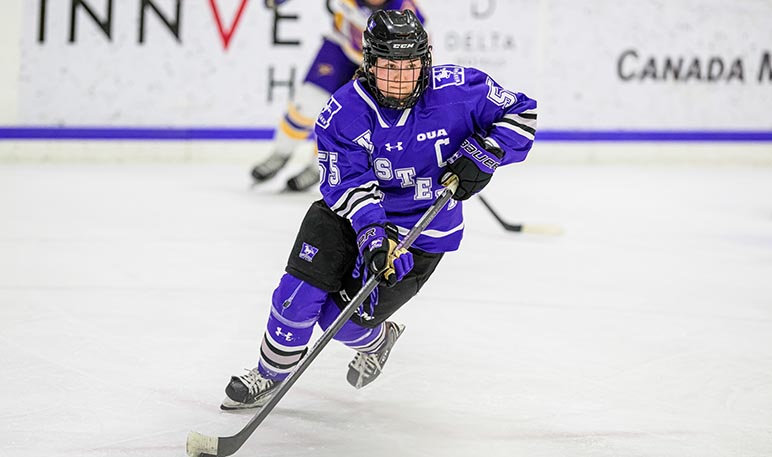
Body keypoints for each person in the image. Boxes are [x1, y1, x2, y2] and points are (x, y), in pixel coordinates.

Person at [222, 8, 537, 410]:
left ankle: (380, 338)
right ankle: (267, 376)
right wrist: (374, 236)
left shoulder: (459, 90)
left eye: (410, 67)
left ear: (426, 61)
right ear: (368, 64)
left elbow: (522, 113)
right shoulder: (344, 111)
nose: (401, 79)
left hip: (423, 235)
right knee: (296, 295)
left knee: (341, 323)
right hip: (349, 219)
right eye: (389, 67)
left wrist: (484, 155)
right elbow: (351, 184)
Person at [252, 0, 426, 192]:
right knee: (308, 101)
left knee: (344, 118)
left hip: (378, 65)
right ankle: (280, 152)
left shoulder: (405, 12)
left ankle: (319, 165)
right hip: (340, 46)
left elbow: (418, 53)